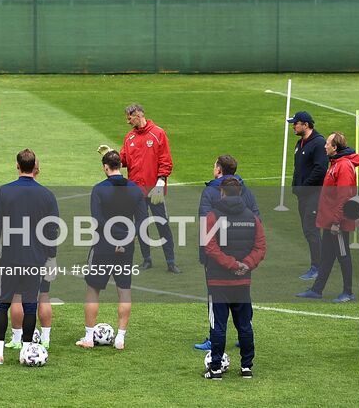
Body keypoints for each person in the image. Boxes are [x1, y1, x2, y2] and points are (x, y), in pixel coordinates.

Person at [0, 149, 59, 365]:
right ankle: (26, 351)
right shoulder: (47, 195)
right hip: (35, 259)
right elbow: (52, 229)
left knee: (2, 304)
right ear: (34, 167)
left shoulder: (4, 191)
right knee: (30, 305)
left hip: (11, 257)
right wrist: (51, 257)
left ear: (17, 166)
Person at [78, 151, 146, 351]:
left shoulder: (99, 189)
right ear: (121, 166)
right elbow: (142, 221)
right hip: (126, 247)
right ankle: (120, 339)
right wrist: (125, 236)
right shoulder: (135, 190)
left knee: (93, 290)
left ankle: (89, 337)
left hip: (102, 246)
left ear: (105, 167)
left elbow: (97, 220)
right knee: (124, 291)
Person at [193, 154, 261, 350]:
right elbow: (257, 219)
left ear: (219, 170)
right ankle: (245, 335)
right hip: (243, 253)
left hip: (216, 257)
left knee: (215, 298)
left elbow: (205, 223)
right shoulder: (245, 190)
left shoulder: (210, 191)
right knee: (243, 295)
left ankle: (214, 338)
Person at [102, 103, 179, 273]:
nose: (128, 122)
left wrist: (160, 182)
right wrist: (109, 154)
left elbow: (166, 161)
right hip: (136, 192)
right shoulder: (129, 137)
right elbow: (122, 161)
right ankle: (147, 259)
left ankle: (171, 261)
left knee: (162, 224)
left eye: (129, 118)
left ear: (138, 114)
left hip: (155, 191)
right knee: (141, 225)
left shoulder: (158, 133)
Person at [201, 179, 265, 379]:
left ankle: (216, 369)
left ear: (222, 192)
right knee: (244, 325)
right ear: (240, 193)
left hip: (218, 281)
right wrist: (246, 264)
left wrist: (232, 264)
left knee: (218, 326)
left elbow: (210, 247)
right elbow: (260, 247)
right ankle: (246, 367)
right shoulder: (252, 218)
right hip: (242, 282)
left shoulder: (212, 217)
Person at [298, 131, 359, 303]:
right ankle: (317, 290)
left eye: (327, 143)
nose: (324, 146)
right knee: (327, 256)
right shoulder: (335, 163)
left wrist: (336, 221)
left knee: (343, 255)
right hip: (330, 221)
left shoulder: (343, 166)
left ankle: (348, 292)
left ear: (335, 147)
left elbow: (343, 197)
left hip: (337, 223)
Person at [290, 111, 329, 281]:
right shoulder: (300, 143)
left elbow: (320, 169)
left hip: (315, 194)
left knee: (311, 229)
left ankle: (318, 267)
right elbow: (298, 168)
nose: (293, 126)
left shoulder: (318, 143)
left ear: (305, 124)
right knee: (308, 230)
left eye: (295, 123)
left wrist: (304, 187)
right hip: (303, 194)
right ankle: (318, 264)